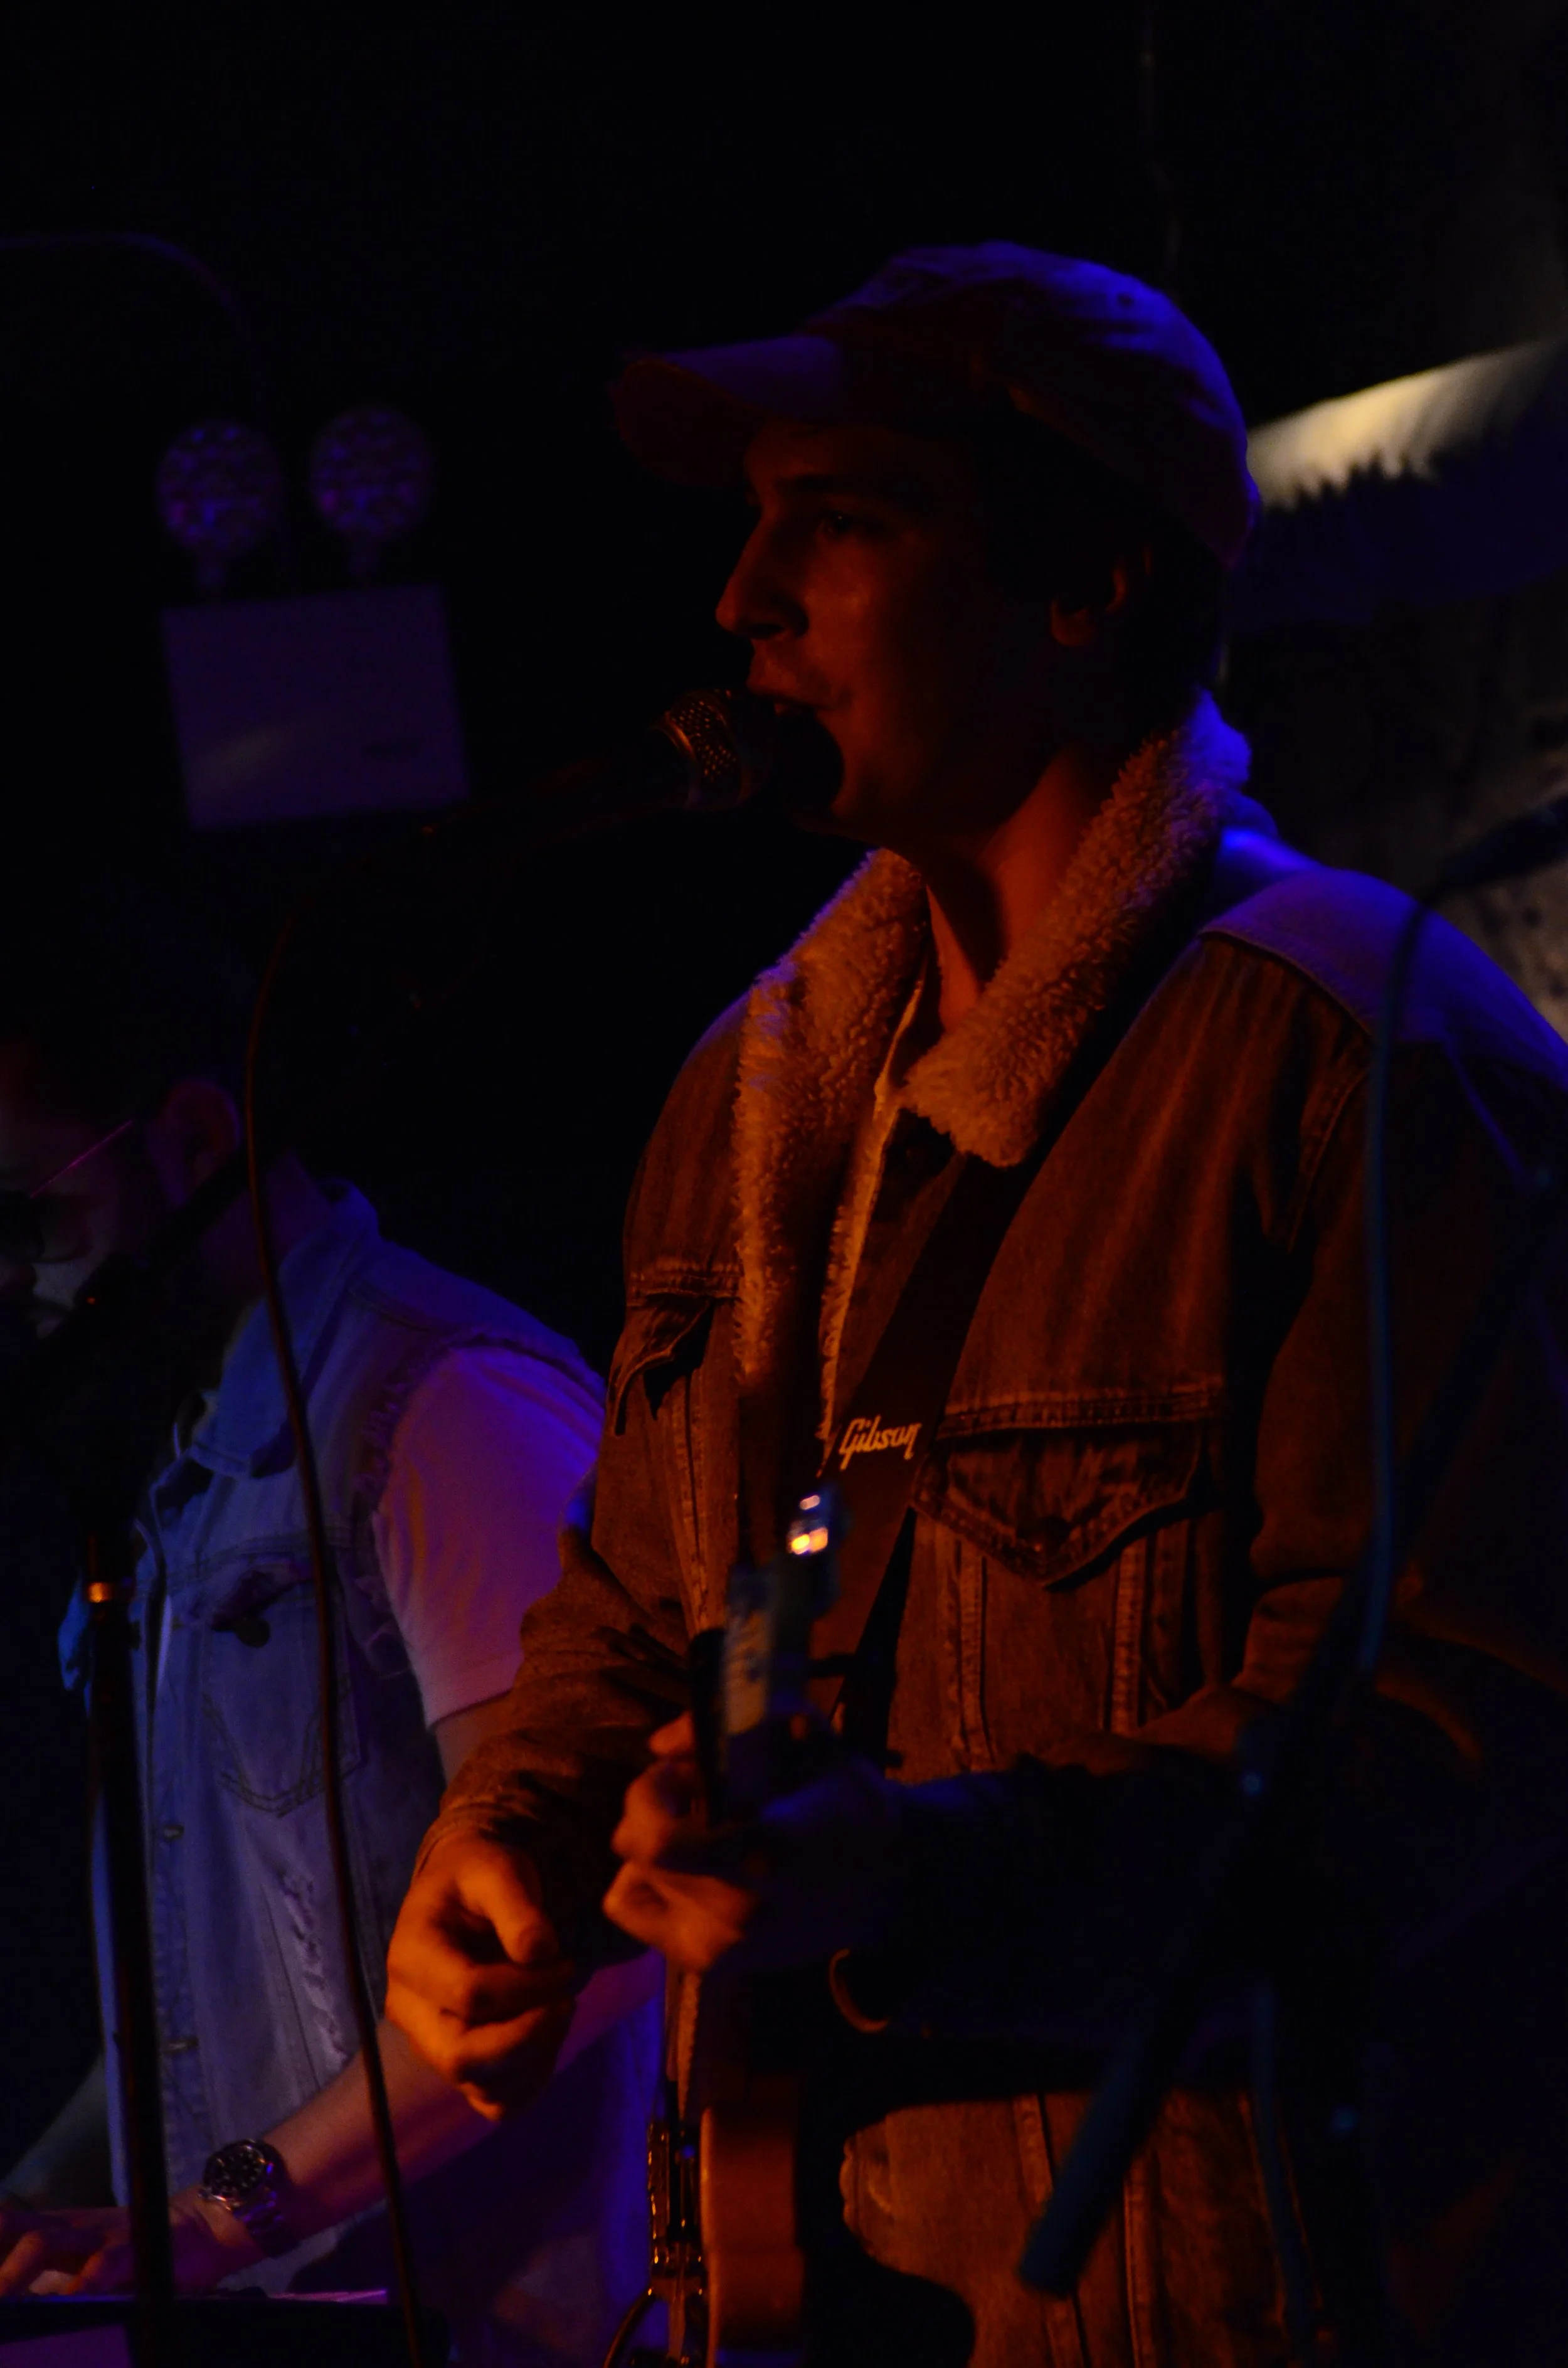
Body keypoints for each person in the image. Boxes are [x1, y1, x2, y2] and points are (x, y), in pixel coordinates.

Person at [381, 245, 1568, 2367]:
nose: (741, 600)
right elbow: (640, 1600)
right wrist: (518, 1821)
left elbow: (1450, 1734)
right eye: (751, 526)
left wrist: (926, 1877)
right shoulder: (749, 1095)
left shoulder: (1365, 1056)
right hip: (807, 2282)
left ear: (1087, 585)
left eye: (836, 522)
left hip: (1232, 2303)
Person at [0, 886, 660, 2367]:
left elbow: (589, 1919)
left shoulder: (443, 1408)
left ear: (194, 1138)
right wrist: (44, 2207)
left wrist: (219, 2217)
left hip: (502, 2334)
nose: (7, 1272)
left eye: (26, 1212)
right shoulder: (177, 1464)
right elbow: (190, 2005)